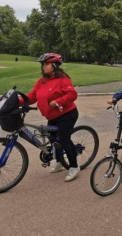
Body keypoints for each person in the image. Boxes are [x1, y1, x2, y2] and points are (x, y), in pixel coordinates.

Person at [19, 53, 80, 182]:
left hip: (67, 115)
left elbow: (72, 94)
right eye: (43, 64)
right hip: (53, 116)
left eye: (46, 64)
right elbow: (32, 96)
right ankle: (59, 161)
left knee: (63, 139)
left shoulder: (62, 79)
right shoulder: (42, 81)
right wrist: (17, 102)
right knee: (53, 139)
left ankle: (74, 166)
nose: (43, 67)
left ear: (54, 65)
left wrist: (58, 102)